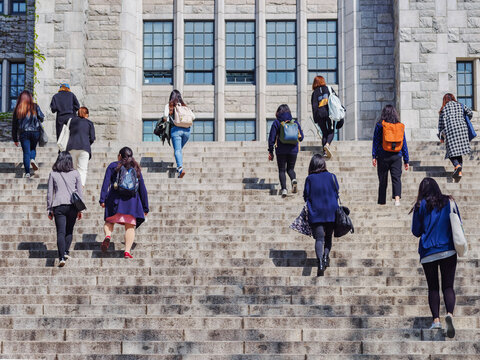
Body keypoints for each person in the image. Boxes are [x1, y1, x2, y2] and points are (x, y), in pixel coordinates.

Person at [411, 177, 458, 338]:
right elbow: (457, 221)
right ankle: (450, 315)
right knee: (448, 286)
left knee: (433, 288)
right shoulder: (448, 201)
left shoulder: (420, 206)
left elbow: (416, 231)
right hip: (448, 249)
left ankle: (436, 320)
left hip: (428, 251)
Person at [99, 147, 149, 258]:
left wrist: (102, 199)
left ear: (120, 156)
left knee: (109, 222)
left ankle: (108, 236)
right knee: (130, 227)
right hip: (131, 202)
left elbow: (106, 183)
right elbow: (142, 188)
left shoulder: (113, 166)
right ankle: (127, 251)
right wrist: (145, 207)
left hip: (114, 200)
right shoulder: (136, 168)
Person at [303, 154, 339, 276]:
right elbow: (336, 192)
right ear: (323, 164)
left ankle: (320, 263)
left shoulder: (310, 179)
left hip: (316, 212)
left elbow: (306, 196)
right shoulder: (332, 176)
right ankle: (325, 257)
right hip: (331, 212)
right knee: (328, 237)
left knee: (319, 239)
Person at [47, 152, 83, 267]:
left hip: (58, 205)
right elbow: (80, 192)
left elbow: (49, 193)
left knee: (60, 232)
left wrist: (49, 208)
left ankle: (61, 257)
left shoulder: (53, 174)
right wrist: (80, 209)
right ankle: (66, 251)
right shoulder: (76, 173)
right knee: (69, 230)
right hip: (72, 205)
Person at [372, 105, 409, 206]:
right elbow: (404, 143)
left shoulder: (380, 125)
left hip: (383, 155)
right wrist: (406, 160)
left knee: (382, 179)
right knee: (396, 178)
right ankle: (397, 200)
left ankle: (382, 201)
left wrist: (374, 156)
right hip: (397, 155)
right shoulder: (399, 126)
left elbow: (375, 141)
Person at [268, 104, 304, 198]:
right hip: (293, 149)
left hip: (281, 150)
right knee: (291, 169)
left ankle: (284, 189)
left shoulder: (277, 122)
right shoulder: (294, 122)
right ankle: (293, 180)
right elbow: (301, 138)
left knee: (282, 170)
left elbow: (271, 138)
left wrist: (270, 151)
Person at [438, 93, 474, 182]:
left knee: (450, 152)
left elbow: (441, 124)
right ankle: (459, 172)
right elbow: (470, 113)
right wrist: (465, 119)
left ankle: (457, 166)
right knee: (459, 151)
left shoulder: (443, 109)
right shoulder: (460, 105)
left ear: (444, 100)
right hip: (462, 129)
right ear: (453, 98)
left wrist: (441, 136)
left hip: (450, 130)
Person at [12, 90, 45, 178]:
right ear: (30, 97)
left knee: (26, 153)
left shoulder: (18, 108)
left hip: (24, 133)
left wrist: (15, 139)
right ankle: (33, 159)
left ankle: (27, 173)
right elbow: (42, 118)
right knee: (33, 148)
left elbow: (14, 125)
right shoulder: (35, 106)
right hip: (35, 132)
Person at [163, 90, 195, 178]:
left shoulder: (169, 106)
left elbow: (165, 116)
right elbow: (193, 117)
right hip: (187, 131)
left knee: (177, 150)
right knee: (178, 150)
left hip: (176, 130)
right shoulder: (185, 106)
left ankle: (180, 168)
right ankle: (179, 163)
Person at [311, 75, 341, 159]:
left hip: (320, 114)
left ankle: (324, 151)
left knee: (324, 133)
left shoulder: (314, 93)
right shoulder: (329, 89)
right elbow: (336, 100)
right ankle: (327, 145)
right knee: (331, 131)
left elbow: (314, 106)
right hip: (330, 113)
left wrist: (315, 119)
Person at [66, 107, 96, 187]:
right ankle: (80, 187)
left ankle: (71, 186)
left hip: (71, 147)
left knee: (72, 169)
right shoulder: (89, 123)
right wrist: (87, 143)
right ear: (86, 114)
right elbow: (92, 138)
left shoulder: (72, 121)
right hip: (84, 148)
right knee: (82, 170)